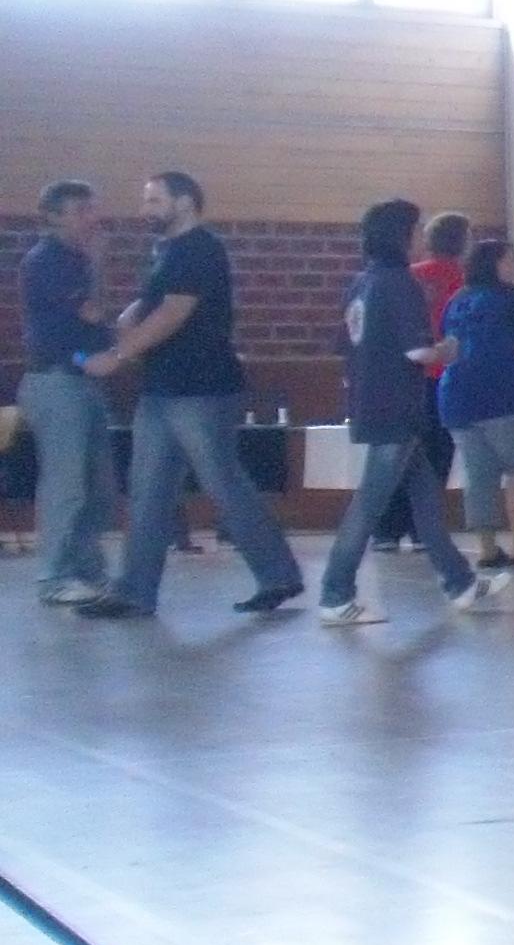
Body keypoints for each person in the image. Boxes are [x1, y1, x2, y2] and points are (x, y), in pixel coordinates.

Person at [73, 169, 305, 618]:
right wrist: (130, 316)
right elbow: (157, 303)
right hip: (163, 387)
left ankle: (278, 575)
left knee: (223, 483)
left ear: (184, 202)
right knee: (147, 490)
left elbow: (175, 312)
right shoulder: (168, 251)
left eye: (154, 200)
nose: (145, 209)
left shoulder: (200, 248)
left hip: (201, 388)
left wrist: (118, 354)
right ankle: (135, 591)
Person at [317, 201, 503, 625]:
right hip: (396, 406)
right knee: (369, 503)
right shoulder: (400, 283)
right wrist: (448, 350)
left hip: (373, 402)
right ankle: (335, 594)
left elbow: (348, 344)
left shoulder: (361, 283)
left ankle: (459, 582)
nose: (421, 238)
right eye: (416, 230)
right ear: (400, 236)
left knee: (425, 498)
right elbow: (418, 351)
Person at [18, 179, 114, 606]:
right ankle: (54, 577)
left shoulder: (75, 261)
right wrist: (82, 359)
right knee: (67, 484)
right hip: (57, 381)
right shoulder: (47, 261)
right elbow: (81, 320)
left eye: (92, 208)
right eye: (80, 211)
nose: (91, 218)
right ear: (53, 217)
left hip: (80, 380)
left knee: (98, 487)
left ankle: (88, 571)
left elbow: (94, 319)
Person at [439, 238, 514, 570]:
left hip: (458, 398)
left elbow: (449, 347)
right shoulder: (510, 296)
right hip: (506, 395)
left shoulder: (457, 300)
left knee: (479, 474)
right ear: (494, 264)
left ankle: (487, 550)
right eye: (509, 260)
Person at [374, 210, 469, 553]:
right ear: (464, 242)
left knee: (402, 455)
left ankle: (386, 529)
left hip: (406, 378)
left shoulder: (410, 276)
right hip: (446, 376)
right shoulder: (466, 282)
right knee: (437, 456)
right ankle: (422, 529)